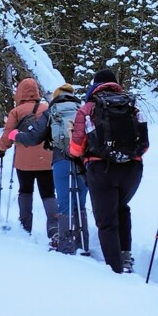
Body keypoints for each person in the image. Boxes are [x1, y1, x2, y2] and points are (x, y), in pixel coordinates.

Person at [68, 67, 149, 274]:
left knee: (106, 220)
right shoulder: (131, 106)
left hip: (101, 167)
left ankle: (115, 269)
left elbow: (76, 148)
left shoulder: (87, 109)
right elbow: (145, 144)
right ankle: (125, 257)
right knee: (122, 208)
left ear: (94, 85)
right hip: (132, 168)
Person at [0, 77, 58, 242]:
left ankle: (25, 227)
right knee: (49, 192)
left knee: (25, 191)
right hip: (47, 158)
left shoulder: (16, 112)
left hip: (24, 161)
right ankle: (54, 227)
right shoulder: (47, 108)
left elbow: (8, 135)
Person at [46, 80, 90, 255]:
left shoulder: (52, 111)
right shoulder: (83, 109)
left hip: (61, 160)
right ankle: (83, 244)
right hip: (81, 160)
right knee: (81, 202)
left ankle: (65, 245)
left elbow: (41, 135)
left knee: (64, 202)